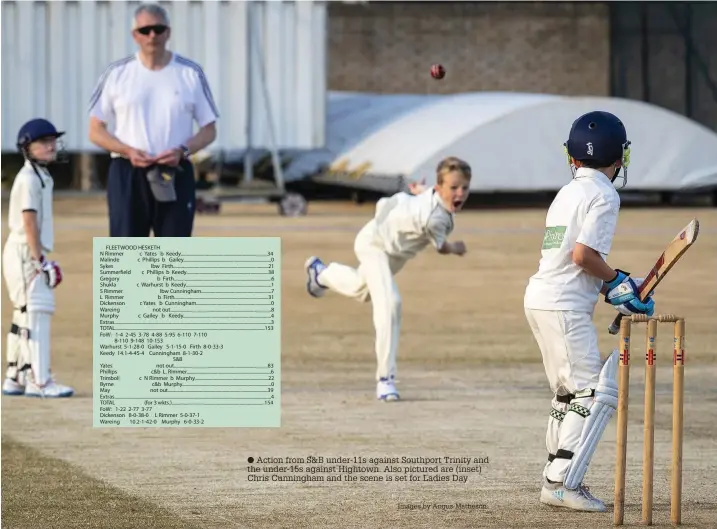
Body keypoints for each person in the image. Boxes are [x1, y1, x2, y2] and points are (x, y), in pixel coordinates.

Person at [523, 111, 655, 511]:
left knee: (568, 393)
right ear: (619, 157)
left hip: (541, 298)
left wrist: (614, 288)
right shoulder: (604, 193)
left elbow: (570, 258)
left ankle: (556, 473)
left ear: (573, 157)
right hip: (563, 305)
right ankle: (562, 483)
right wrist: (617, 282)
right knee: (593, 393)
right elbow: (583, 255)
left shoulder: (567, 192)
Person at [304, 157, 471, 401]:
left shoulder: (434, 198)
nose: (460, 193)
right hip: (375, 244)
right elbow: (442, 247)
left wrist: (417, 190)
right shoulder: (435, 218)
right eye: (454, 188)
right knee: (391, 303)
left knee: (363, 291)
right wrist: (457, 248)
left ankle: (321, 274)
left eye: (464, 188)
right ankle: (385, 379)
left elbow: (423, 194)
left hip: (393, 254)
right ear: (440, 187)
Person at [88, 3, 219, 238]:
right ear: (134, 35)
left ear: (168, 32)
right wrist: (127, 150)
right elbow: (96, 130)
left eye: (158, 29)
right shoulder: (117, 74)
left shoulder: (190, 73)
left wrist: (182, 150)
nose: (152, 36)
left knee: (172, 254)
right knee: (126, 253)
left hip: (174, 170)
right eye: (145, 30)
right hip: (127, 171)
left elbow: (209, 129)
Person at [2, 118, 74, 398]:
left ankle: (15, 377)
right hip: (24, 252)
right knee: (37, 311)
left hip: (27, 252)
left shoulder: (40, 176)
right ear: (27, 148)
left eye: (53, 140)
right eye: (44, 142)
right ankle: (39, 380)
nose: (51, 145)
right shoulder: (28, 179)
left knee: (24, 312)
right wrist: (39, 260)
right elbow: (28, 220)